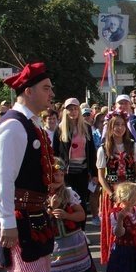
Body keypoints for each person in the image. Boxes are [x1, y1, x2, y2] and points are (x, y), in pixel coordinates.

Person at [0, 62, 56, 272]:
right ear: (28, 91)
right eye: (46, 88)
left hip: (35, 215)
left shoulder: (32, 123)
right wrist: (8, 223)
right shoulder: (14, 126)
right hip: (21, 217)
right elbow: (2, 180)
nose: (51, 94)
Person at [42, 157, 99, 272]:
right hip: (54, 244)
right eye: (54, 175)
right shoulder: (41, 196)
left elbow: (82, 215)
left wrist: (67, 216)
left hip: (72, 241)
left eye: (60, 175)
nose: (57, 179)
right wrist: (50, 212)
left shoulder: (69, 193)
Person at [97, 109, 136, 264]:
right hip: (112, 193)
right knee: (114, 226)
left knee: (132, 226)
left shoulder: (133, 146)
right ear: (110, 126)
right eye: (116, 124)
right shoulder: (103, 149)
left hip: (129, 192)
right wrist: (111, 193)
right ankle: (114, 259)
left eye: (122, 124)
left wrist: (135, 188)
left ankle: (133, 259)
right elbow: (101, 177)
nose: (119, 127)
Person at [53, 98, 97, 230]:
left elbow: (91, 151)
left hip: (82, 170)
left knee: (81, 200)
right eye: (70, 109)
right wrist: (56, 171)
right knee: (67, 200)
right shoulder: (59, 129)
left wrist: (93, 173)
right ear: (65, 111)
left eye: (75, 109)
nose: (73, 112)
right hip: (66, 172)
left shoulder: (86, 128)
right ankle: (69, 228)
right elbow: (55, 153)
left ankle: (81, 230)